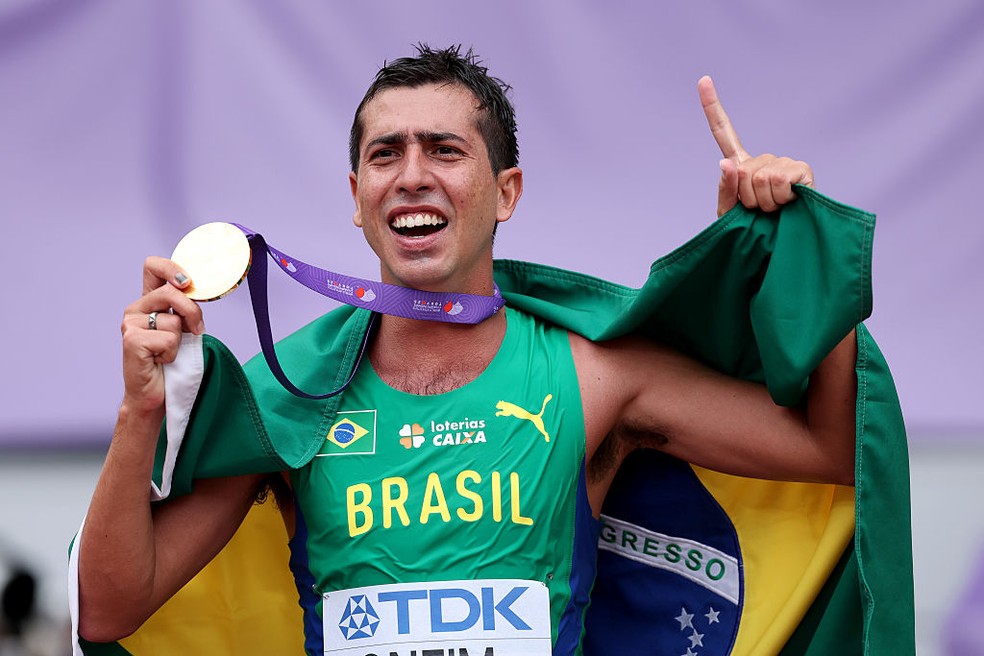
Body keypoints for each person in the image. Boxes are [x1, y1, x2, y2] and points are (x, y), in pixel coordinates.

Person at [77, 45, 859, 654]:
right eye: (385, 155)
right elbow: (110, 608)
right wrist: (139, 411)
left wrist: (800, 250)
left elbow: (831, 446)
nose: (412, 177)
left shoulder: (595, 376)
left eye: (444, 150)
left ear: (506, 191)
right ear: (357, 198)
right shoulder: (291, 399)